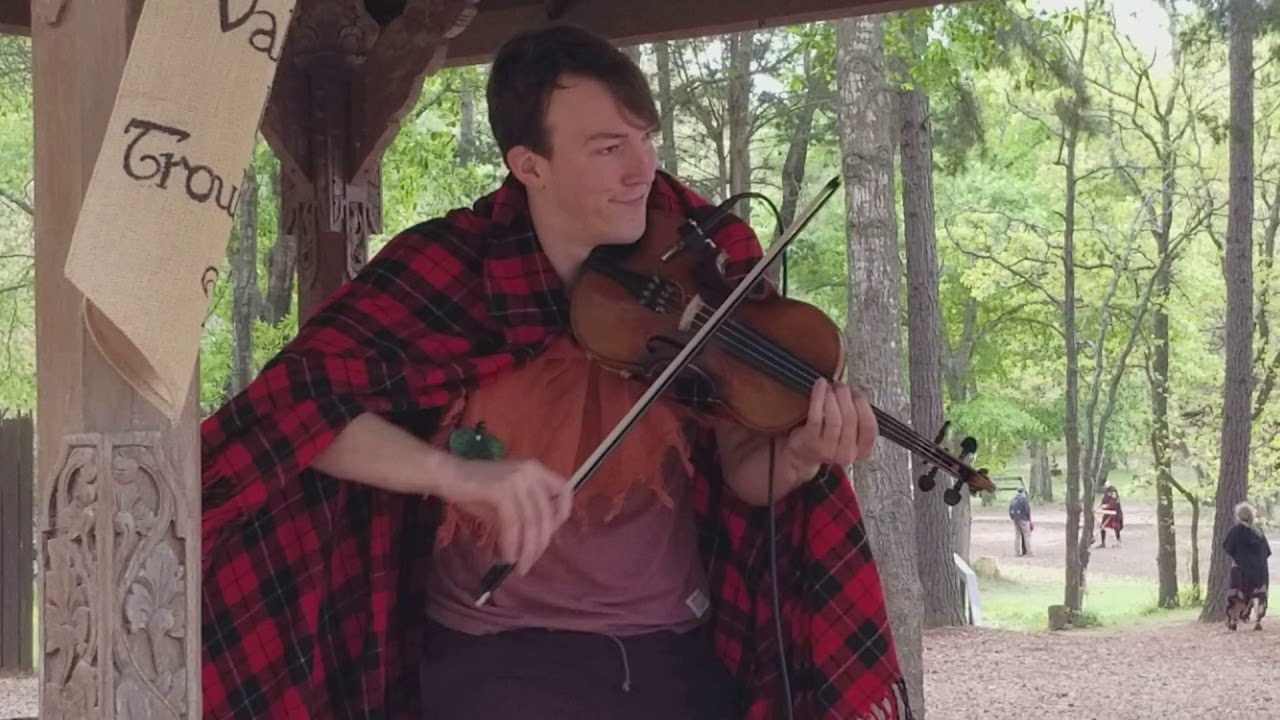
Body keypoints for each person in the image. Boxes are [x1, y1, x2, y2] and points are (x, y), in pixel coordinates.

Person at [199, 24, 913, 720]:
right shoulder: (450, 269)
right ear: (529, 165)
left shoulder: (703, 260)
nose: (644, 171)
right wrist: (454, 475)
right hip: (495, 656)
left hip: (675, 651)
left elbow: (743, 470)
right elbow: (298, 414)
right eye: (609, 148)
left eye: (646, 140)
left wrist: (797, 456)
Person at [1224, 501, 1270, 631]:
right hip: (1259, 569)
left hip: (1240, 569)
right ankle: (1258, 621)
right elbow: (1266, 551)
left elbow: (1228, 547)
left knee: (1238, 595)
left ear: (1238, 516)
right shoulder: (1258, 532)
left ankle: (1233, 620)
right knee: (1258, 595)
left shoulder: (1236, 531)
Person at [1008, 487, 1033, 556]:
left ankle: (1017, 552)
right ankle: (1029, 552)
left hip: (1016, 519)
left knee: (1017, 536)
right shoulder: (1024, 500)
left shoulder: (1013, 500)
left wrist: (1013, 518)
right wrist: (1028, 518)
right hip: (1024, 519)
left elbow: (1010, 510)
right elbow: (1027, 510)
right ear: (1023, 492)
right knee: (1027, 535)